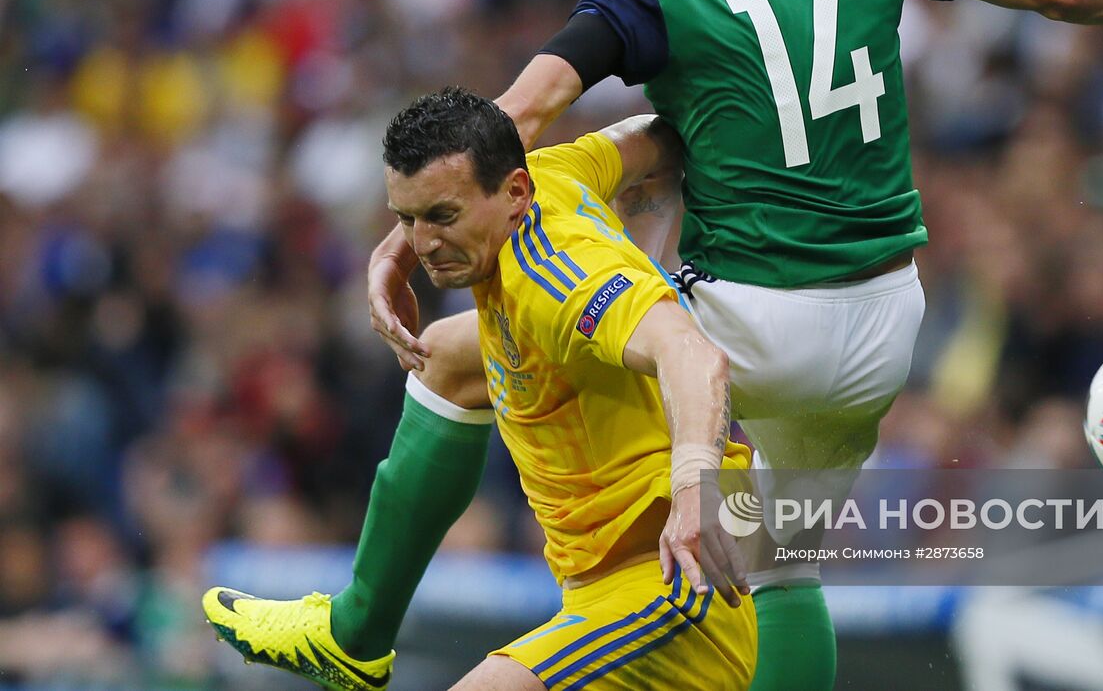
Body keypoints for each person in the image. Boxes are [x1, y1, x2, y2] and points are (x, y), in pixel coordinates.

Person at [352, 0, 1103, 691]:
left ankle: (383, 629)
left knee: (464, 352)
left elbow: (524, 107)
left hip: (752, 321)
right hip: (883, 325)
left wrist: (412, 226)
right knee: (781, 562)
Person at [204, 89, 755, 691]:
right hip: (605, 596)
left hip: (672, 590)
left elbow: (693, 355)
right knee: (445, 355)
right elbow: (657, 134)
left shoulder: (558, 280)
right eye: (405, 219)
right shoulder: (559, 170)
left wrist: (694, 485)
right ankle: (355, 632)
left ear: (514, 193)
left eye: (442, 217)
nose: (422, 244)